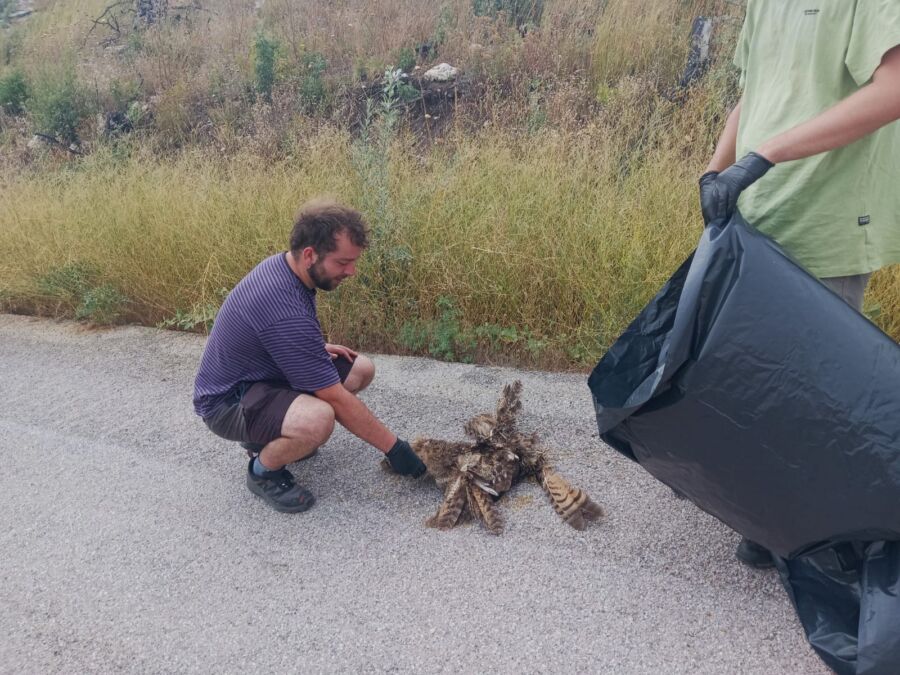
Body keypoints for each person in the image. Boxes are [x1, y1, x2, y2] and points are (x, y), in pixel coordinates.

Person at [700, 1, 900, 568]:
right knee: (760, 375)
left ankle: (819, 540)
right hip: (758, 210)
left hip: (826, 216)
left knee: (820, 396)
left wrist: (767, 154)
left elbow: (893, 89)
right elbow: (756, 91)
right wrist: (717, 168)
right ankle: (771, 516)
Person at [193, 199, 426, 513]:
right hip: (227, 403)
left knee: (360, 369)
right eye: (343, 262)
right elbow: (334, 398)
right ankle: (263, 470)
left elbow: (275, 333)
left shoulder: (287, 268)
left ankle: (271, 434)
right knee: (320, 419)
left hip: (260, 376)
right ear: (309, 254)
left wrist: (311, 346)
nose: (352, 271)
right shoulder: (281, 304)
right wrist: (396, 450)